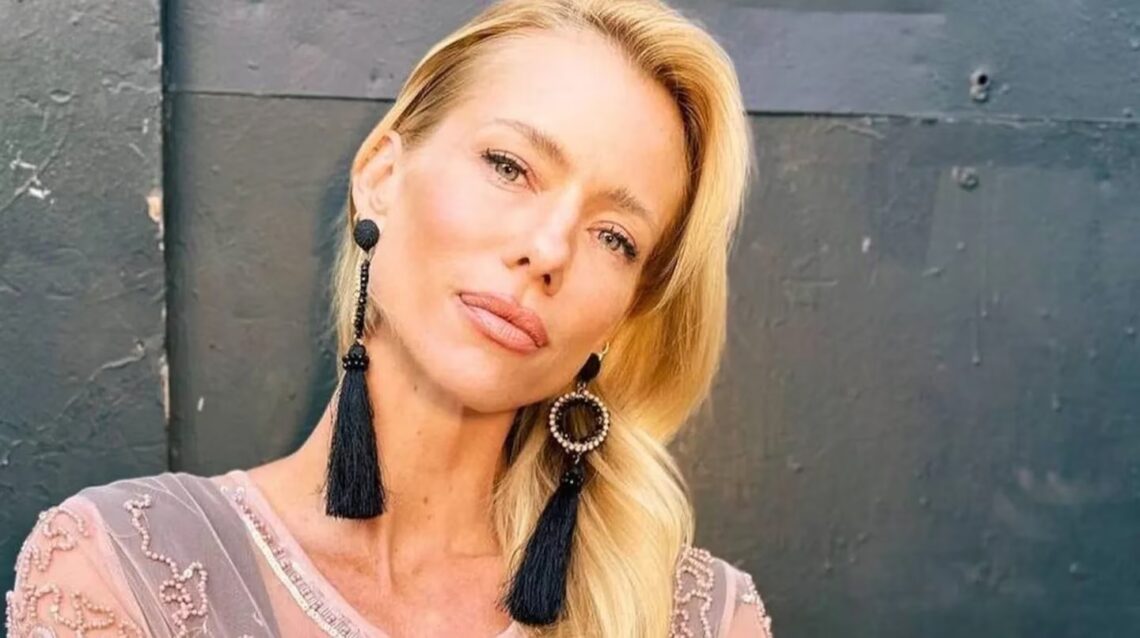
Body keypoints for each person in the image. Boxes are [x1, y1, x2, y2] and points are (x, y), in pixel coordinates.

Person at [4, 0, 771, 636]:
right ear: (382, 176)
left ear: (623, 314)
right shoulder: (120, 568)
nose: (548, 249)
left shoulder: (698, 616)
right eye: (510, 166)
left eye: (615, 237)